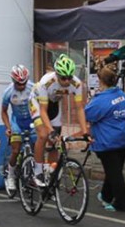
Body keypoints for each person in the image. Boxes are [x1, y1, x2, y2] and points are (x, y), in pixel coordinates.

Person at [28, 54, 89, 187]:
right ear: (56, 74)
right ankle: (37, 172)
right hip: (37, 103)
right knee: (44, 135)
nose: (67, 81)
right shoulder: (47, 82)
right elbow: (43, 111)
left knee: (56, 142)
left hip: (54, 104)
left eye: (69, 77)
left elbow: (79, 109)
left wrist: (85, 132)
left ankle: (50, 172)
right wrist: (50, 131)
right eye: (63, 78)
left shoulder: (76, 83)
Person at [84, 65, 125, 212]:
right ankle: (106, 195)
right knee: (114, 170)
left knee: (115, 173)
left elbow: (88, 115)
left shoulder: (100, 100)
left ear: (100, 81)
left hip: (109, 141)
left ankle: (121, 203)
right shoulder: (121, 94)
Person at [0, 64, 34, 192]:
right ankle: (11, 175)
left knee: (37, 149)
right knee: (15, 150)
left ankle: (35, 174)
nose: (21, 86)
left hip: (32, 120)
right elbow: (3, 112)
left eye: (24, 83)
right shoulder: (8, 92)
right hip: (17, 122)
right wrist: (8, 127)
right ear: (13, 81)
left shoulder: (33, 87)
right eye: (18, 84)